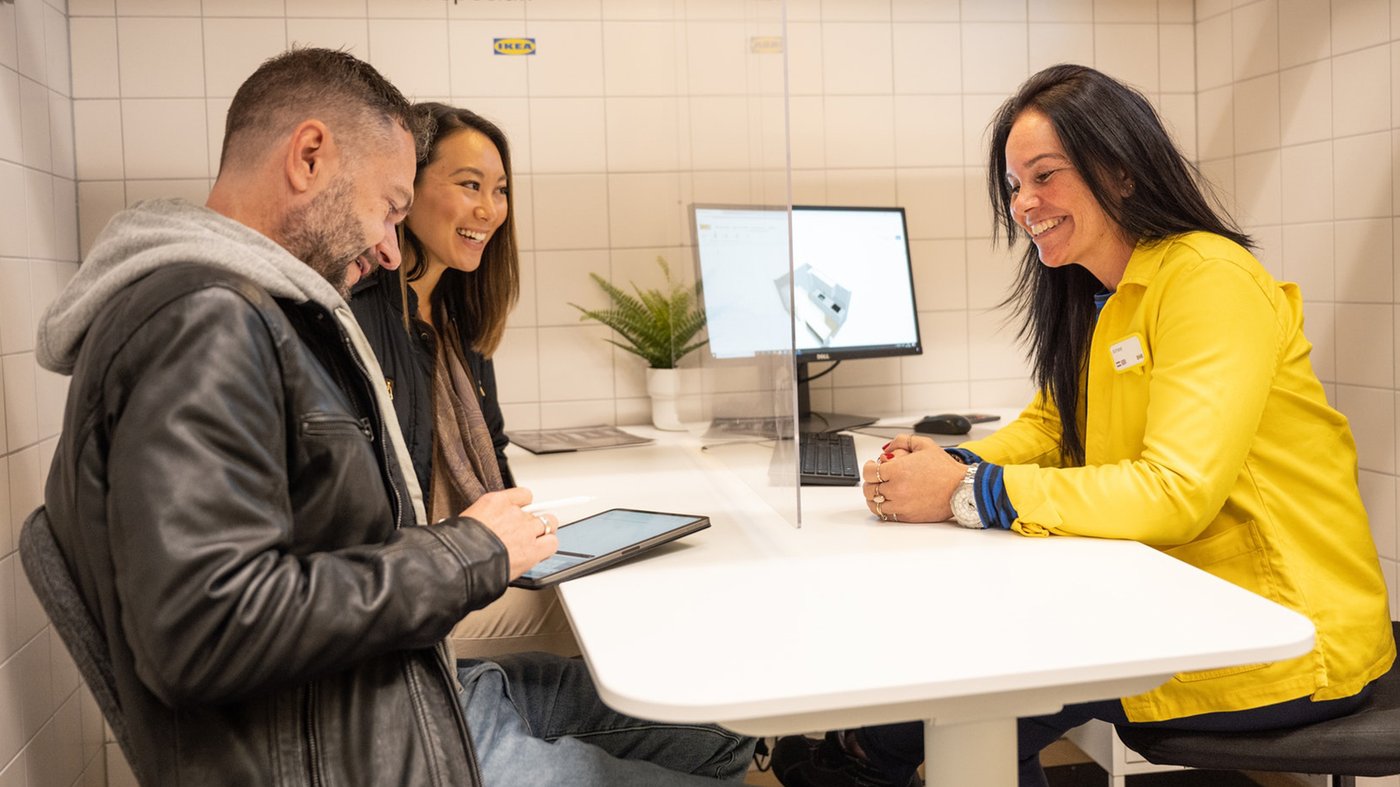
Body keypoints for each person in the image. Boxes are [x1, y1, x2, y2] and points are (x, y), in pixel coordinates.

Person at [35, 47, 752, 786]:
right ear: (309, 156)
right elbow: (206, 628)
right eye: (389, 207)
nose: (388, 248)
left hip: (394, 688)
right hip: (361, 747)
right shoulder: (202, 324)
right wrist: (469, 550)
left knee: (718, 736)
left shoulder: (254, 316)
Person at [770, 63, 1395, 787]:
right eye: (1013, 185)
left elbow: (1175, 491)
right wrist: (938, 463)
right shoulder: (1101, 296)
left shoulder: (1207, 279)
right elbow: (1048, 427)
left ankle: (854, 760)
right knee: (972, 670)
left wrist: (969, 493)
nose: (1023, 203)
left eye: (1044, 176)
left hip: (1278, 628)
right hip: (1178, 593)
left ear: (1122, 171)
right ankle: (860, 757)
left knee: (981, 677)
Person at [351, 102, 578, 658]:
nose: (489, 209)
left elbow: (493, 456)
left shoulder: (459, 318)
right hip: (414, 594)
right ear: (405, 190)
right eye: (469, 184)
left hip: (475, 562)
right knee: (599, 614)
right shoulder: (358, 313)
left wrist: (526, 541)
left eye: (499, 191)